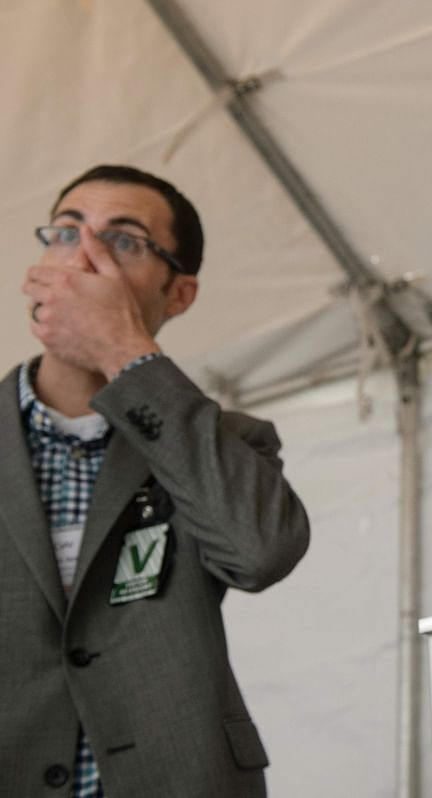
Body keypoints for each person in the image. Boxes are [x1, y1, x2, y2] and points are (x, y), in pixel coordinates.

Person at [0, 164, 310, 797]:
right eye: (65, 232)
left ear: (178, 294)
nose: (86, 256)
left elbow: (259, 553)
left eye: (125, 241)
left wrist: (122, 349)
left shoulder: (226, 442)